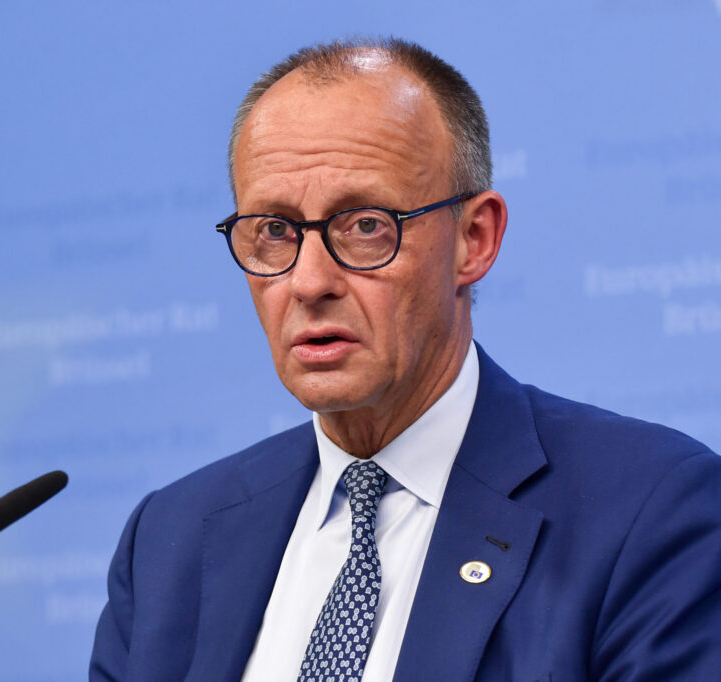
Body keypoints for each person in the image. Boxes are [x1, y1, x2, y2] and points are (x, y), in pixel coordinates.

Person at [89, 38, 721, 682]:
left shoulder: (648, 511)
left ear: (474, 239)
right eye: (275, 230)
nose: (309, 282)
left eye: (365, 225)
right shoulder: (169, 543)